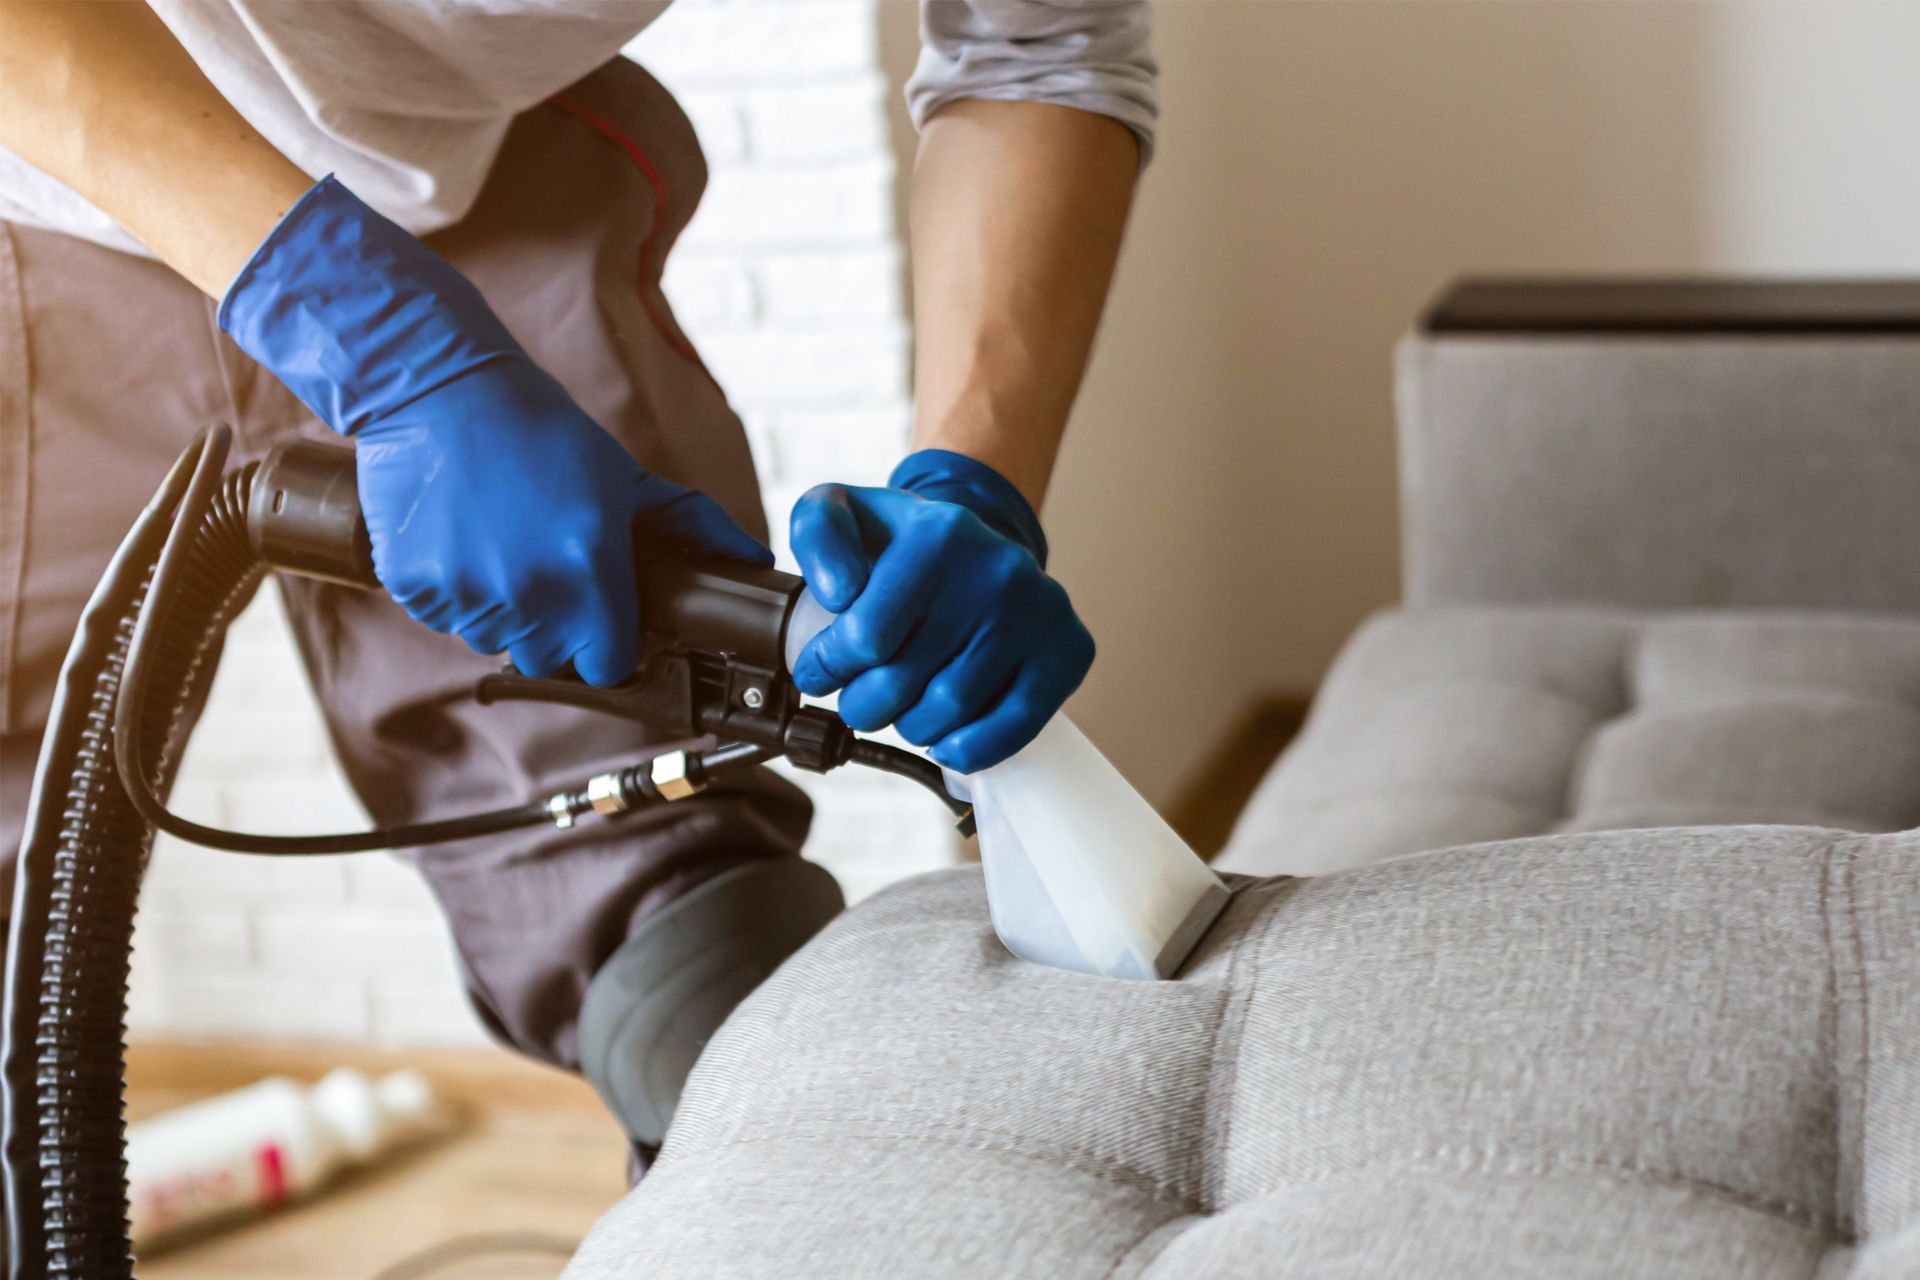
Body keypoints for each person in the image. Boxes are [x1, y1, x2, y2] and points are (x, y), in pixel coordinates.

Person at [0, 0, 1152, 1157]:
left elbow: (1038, 48)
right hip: (43, 175)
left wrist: (972, 479)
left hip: (465, 170)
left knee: (689, 932)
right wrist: (377, 337)